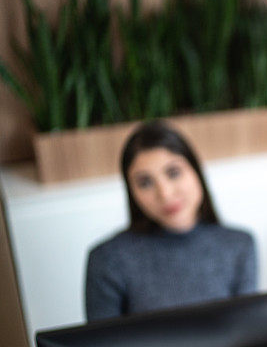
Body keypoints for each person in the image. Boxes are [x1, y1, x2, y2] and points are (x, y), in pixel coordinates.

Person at [85, 120, 257, 321]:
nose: (165, 194)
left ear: (196, 172)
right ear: (132, 193)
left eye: (173, 173)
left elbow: (246, 335)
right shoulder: (108, 260)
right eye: (145, 182)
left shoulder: (239, 245)